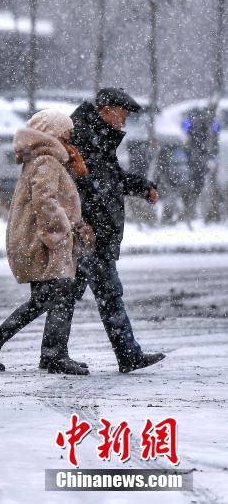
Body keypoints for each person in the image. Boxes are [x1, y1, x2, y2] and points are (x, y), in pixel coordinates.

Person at [0, 109, 93, 375]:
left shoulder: (43, 160)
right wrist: (62, 231)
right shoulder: (47, 162)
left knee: (44, 300)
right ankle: (53, 356)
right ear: (54, 133)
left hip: (39, 240)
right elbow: (45, 202)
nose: (70, 137)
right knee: (61, 296)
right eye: (66, 132)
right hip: (47, 242)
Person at [69, 87, 165, 373]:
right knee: (108, 295)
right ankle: (128, 355)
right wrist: (96, 225)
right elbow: (93, 185)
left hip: (93, 230)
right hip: (90, 232)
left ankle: (19, 344)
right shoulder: (87, 136)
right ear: (107, 109)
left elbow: (110, 178)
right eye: (122, 115)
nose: (123, 123)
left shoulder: (96, 135)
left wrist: (142, 186)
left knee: (61, 298)